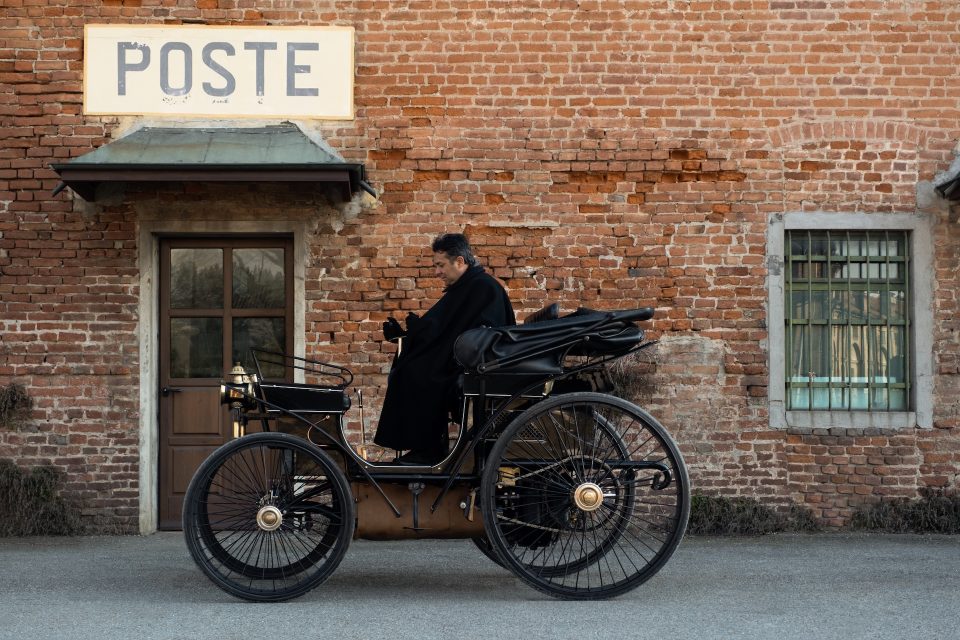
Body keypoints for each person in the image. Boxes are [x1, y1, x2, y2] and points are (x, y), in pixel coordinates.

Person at [374, 233, 515, 465]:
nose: (437, 272)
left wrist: (422, 333)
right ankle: (427, 447)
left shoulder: (482, 287)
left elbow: (473, 332)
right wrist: (413, 333)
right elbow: (447, 326)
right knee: (410, 367)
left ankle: (428, 450)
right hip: (465, 359)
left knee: (414, 373)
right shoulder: (469, 285)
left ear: (459, 261)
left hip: (477, 365)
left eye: (440, 265)